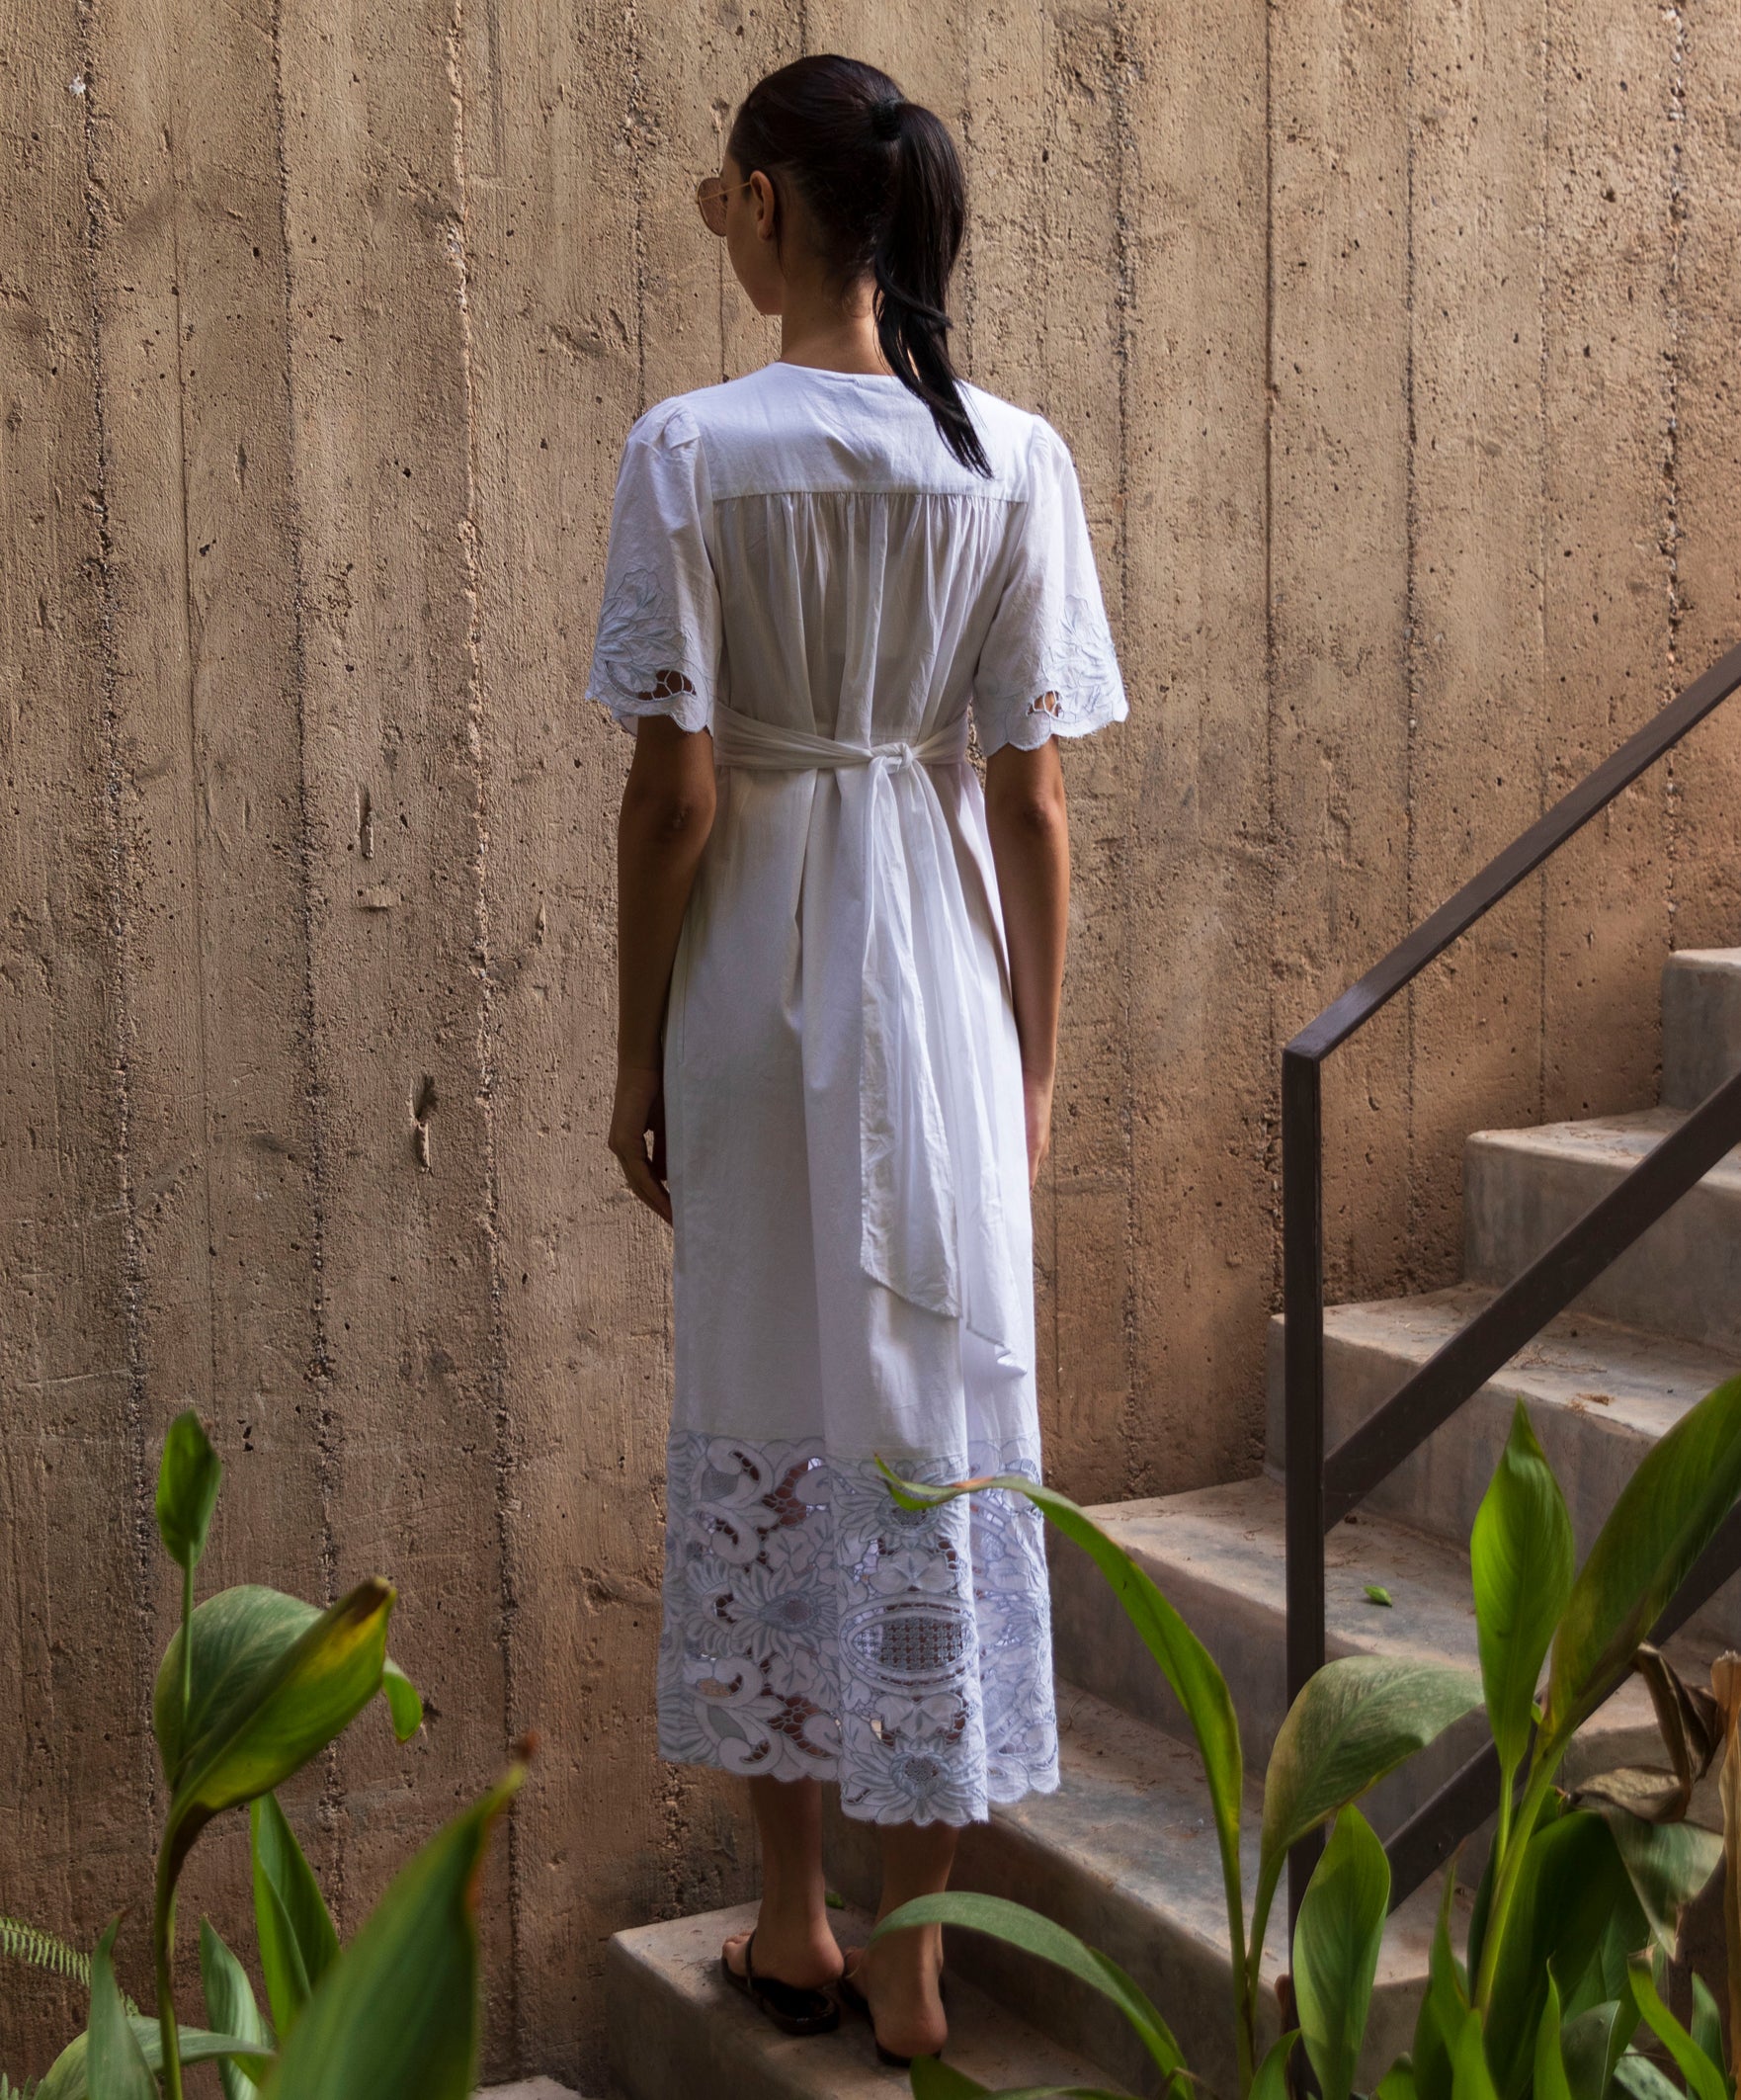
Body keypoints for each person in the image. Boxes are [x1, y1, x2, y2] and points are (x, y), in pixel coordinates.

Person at [587, 52, 1127, 2068]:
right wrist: (1037, 1064)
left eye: (721, 197)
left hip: (753, 975)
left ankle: (791, 1914)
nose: (713, 223)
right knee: (929, 1407)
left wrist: (627, 1048)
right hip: (938, 967)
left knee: (763, 1391)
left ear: (769, 205)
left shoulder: (688, 448)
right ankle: (906, 1955)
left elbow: (673, 798)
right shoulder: (1013, 455)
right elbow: (1032, 803)